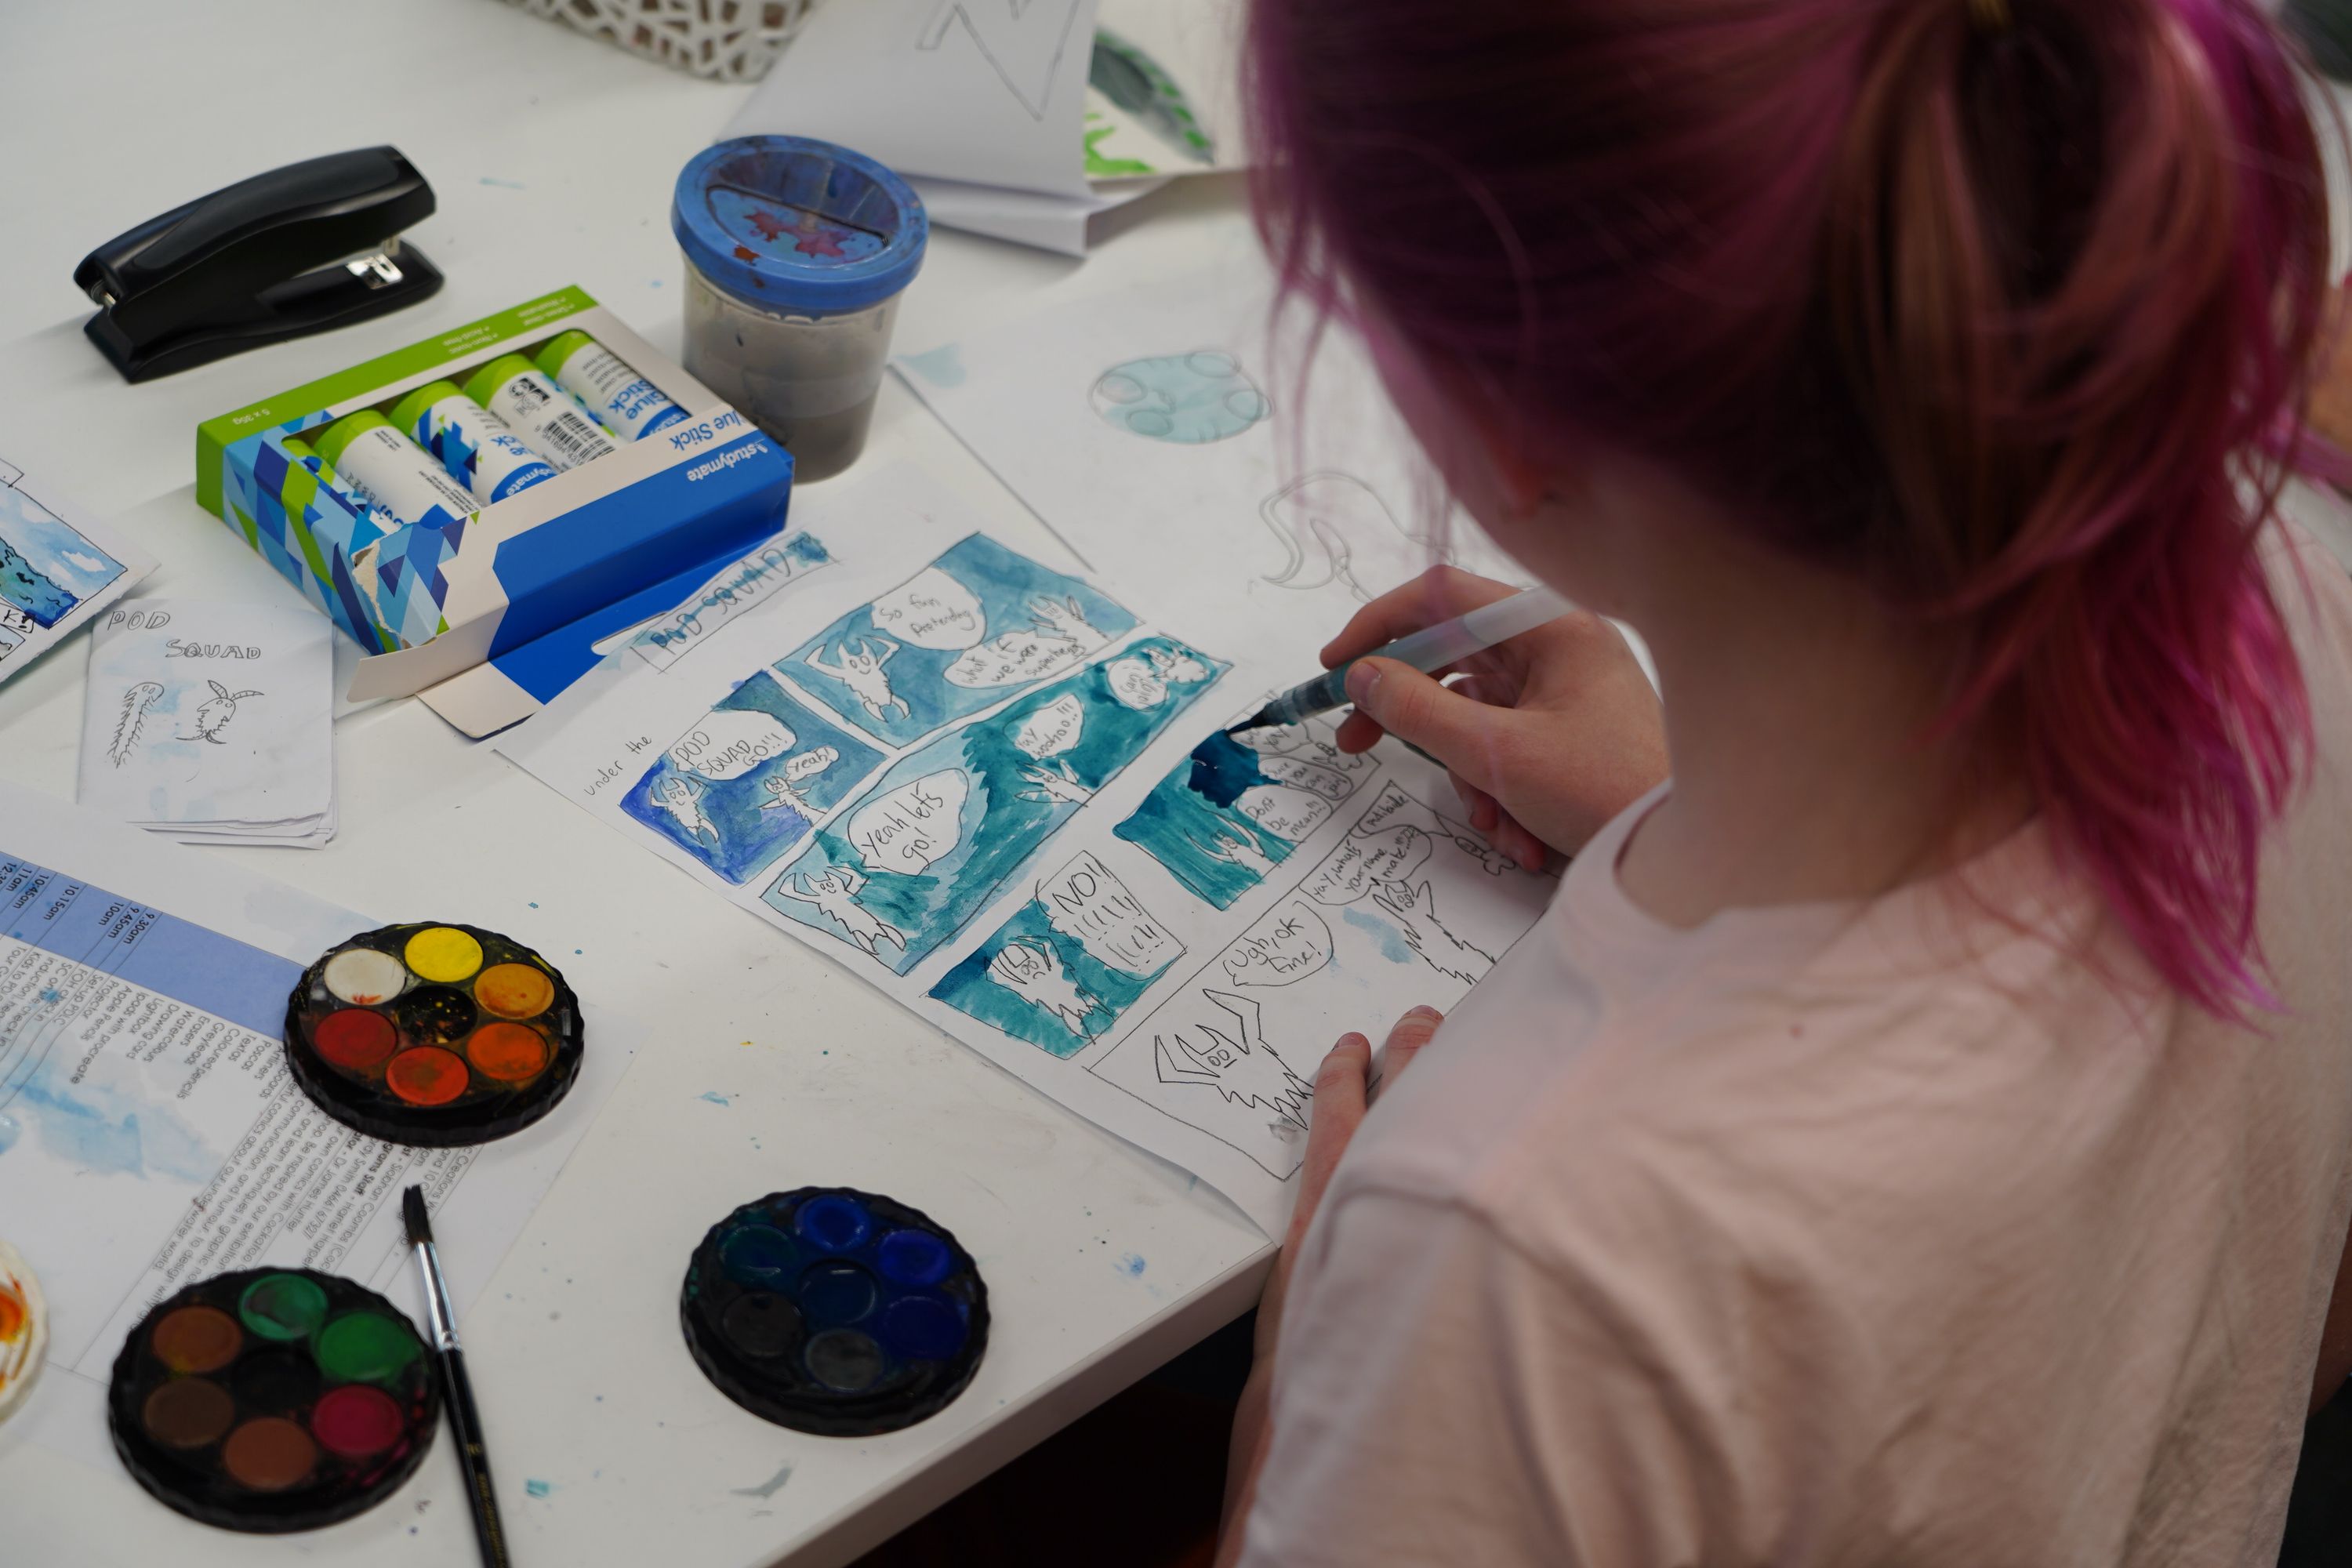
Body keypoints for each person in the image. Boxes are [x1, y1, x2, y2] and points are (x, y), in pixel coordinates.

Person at [1217, 1, 2352, 1563]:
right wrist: (1678, 803)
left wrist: (1307, 1406)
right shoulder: (2287, 600)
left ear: (1498, 415)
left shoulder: (1524, 1260)